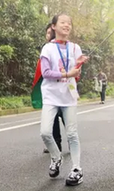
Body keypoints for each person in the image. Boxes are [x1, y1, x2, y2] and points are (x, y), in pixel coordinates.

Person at [39, 13, 89, 186]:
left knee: (72, 134)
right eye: (63, 22)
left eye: (69, 23)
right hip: (51, 96)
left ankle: (77, 169)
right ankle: (56, 157)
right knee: (45, 132)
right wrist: (68, 73)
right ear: (54, 26)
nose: (67, 25)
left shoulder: (75, 48)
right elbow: (46, 73)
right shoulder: (47, 48)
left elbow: (77, 76)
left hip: (69, 96)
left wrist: (78, 66)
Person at [38, 24, 65, 154]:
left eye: (50, 33)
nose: (47, 35)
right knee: (52, 119)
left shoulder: (65, 48)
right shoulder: (46, 49)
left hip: (64, 90)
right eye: (47, 33)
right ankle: (56, 145)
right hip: (50, 91)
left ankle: (73, 142)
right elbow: (42, 72)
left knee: (66, 118)